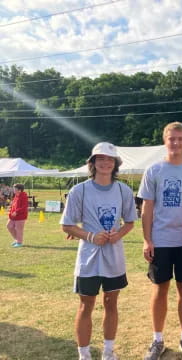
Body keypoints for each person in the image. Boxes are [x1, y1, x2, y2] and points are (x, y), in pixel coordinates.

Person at [60, 142, 137, 360]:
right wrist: (91, 236)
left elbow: (130, 222)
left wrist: (118, 234)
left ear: (115, 164)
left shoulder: (123, 190)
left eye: (109, 159)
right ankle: (84, 354)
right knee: (86, 305)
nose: (105, 163)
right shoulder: (80, 190)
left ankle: (108, 352)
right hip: (88, 257)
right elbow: (67, 225)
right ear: (92, 163)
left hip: (114, 257)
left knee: (111, 303)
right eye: (100, 158)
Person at [139, 122, 182, 360]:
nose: (175, 143)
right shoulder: (153, 170)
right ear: (164, 141)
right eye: (171, 139)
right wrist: (147, 240)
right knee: (160, 290)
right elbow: (147, 207)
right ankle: (157, 340)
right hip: (161, 240)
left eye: (180, 139)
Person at [7, 183, 28, 248]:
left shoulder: (24, 196)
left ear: (19, 190)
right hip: (13, 215)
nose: (13, 190)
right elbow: (14, 204)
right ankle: (17, 239)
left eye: (15, 189)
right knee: (9, 226)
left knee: (19, 229)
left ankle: (19, 242)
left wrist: (17, 211)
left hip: (20, 216)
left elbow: (24, 207)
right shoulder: (16, 195)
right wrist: (10, 208)